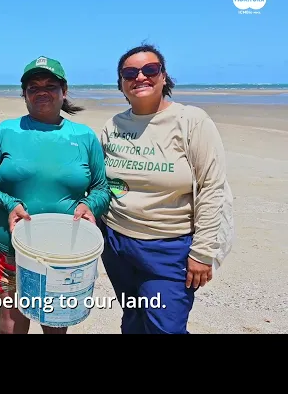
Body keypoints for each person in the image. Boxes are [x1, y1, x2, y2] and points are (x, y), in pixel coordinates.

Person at [98, 43, 229, 334]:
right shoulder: (113, 125)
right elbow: (102, 182)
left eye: (150, 69)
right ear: (121, 83)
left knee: (165, 327)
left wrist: (202, 252)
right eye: (129, 73)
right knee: (134, 318)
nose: (140, 77)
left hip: (169, 247)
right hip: (116, 243)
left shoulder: (191, 121)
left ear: (164, 76)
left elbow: (211, 187)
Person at [0, 56, 111, 334]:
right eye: (33, 87)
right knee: (11, 323)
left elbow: (101, 188)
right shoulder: (5, 131)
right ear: (24, 94)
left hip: (65, 253)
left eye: (50, 86)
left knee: (55, 323)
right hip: (10, 247)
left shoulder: (84, 136)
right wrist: (9, 203)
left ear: (64, 91)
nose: (42, 92)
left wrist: (89, 205)